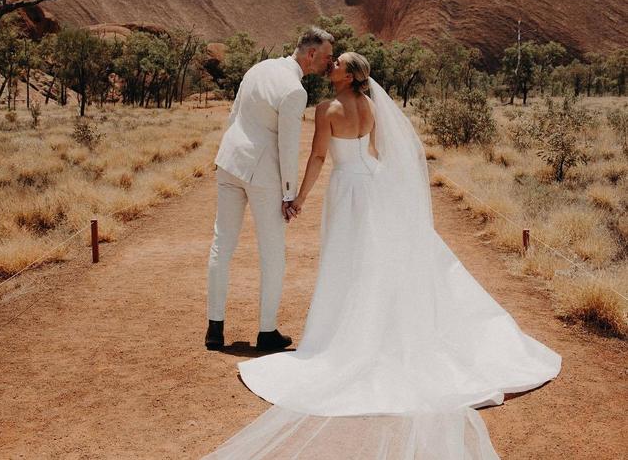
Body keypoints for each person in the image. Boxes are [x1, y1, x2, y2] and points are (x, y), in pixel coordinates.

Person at [208, 52, 561, 458]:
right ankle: (380, 324)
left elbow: (320, 157)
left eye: (337, 64)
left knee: (348, 263)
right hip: (371, 186)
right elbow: (377, 152)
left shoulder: (328, 109)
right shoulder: (373, 105)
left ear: (349, 75)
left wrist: (298, 198)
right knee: (374, 262)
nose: (331, 67)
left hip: (345, 190)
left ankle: (349, 333)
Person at [206, 27, 334, 351]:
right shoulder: (294, 90)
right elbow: (287, 147)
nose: (330, 62)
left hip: (229, 161)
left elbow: (234, 114)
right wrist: (289, 195)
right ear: (311, 55)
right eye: (328, 56)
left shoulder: (259, 68)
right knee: (273, 253)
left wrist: (222, 155)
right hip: (262, 175)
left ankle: (214, 329)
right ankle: (266, 332)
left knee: (223, 244)